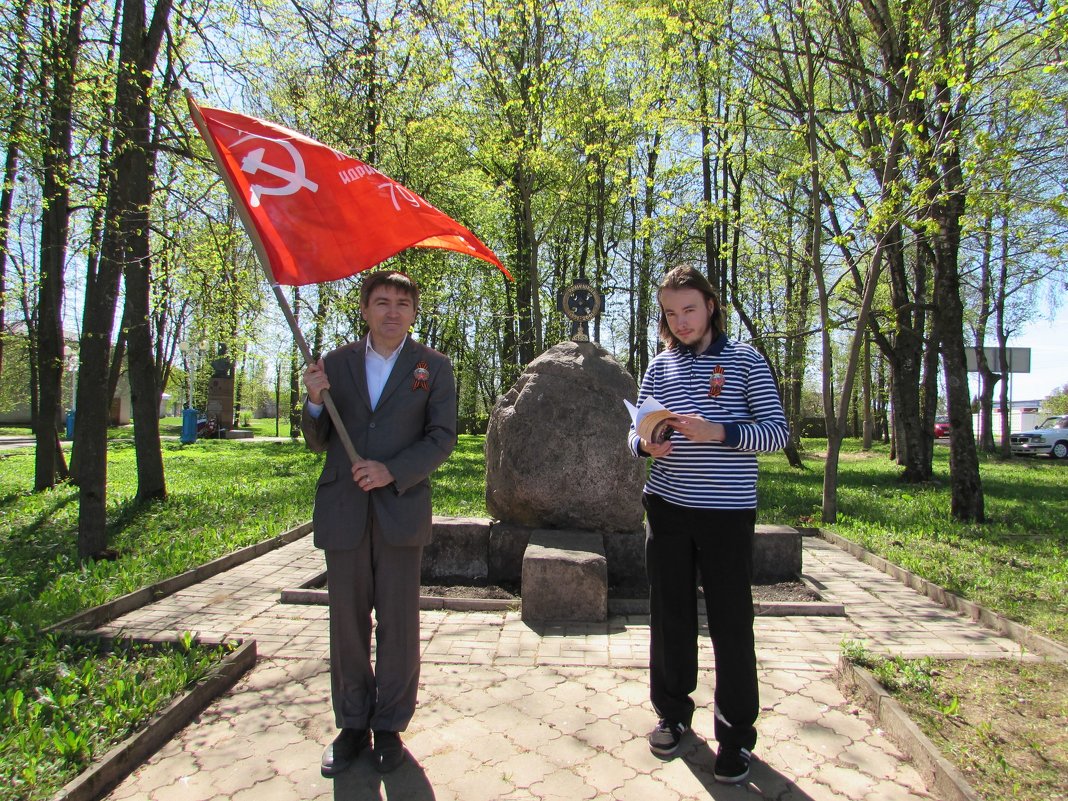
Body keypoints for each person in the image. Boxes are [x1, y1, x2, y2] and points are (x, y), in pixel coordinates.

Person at [628, 265, 788, 783]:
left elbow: (776, 434)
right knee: (669, 617)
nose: (681, 321)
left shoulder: (744, 360)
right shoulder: (659, 364)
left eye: (689, 309)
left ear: (711, 304)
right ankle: (673, 715)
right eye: (671, 313)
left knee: (731, 624)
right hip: (667, 510)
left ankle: (736, 737)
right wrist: (645, 444)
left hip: (726, 515)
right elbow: (633, 436)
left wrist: (718, 431)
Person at [301, 269, 457, 776]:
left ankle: (389, 725)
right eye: (382, 302)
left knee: (398, 621)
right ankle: (351, 724)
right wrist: (315, 400)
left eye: (402, 304)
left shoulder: (433, 367)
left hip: (400, 507)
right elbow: (316, 438)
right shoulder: (335, 364)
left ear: (414, 313)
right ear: (365, 309)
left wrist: (392, 471)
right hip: (344, 509)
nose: (392, 312)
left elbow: (442, 437)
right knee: (346, 621)